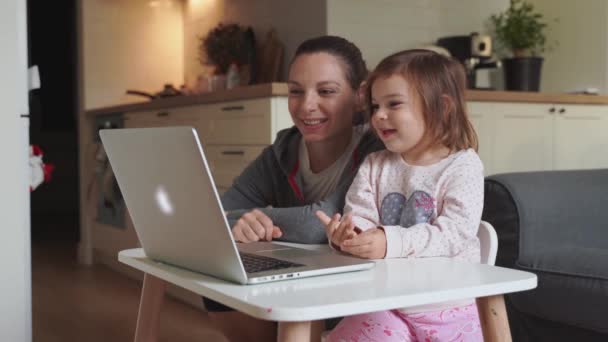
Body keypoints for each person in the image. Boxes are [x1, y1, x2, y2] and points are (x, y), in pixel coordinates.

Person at [203, 35, 384, 342]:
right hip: (297, 281)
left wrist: (256, 217)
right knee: (222, 283)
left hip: (360, 295)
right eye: (295, 92)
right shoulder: (283, 150)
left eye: (326, 91)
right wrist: (241, 224)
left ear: (359, 95)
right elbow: (218, 213)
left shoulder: (376, 150)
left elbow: (319, 224)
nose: (306, 106)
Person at [317, 49, 485, 341]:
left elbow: (455, 233)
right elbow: (361, 218)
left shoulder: (463, 165)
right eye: (375, 106)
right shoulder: (374, 164)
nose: (379, 116)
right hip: (383, 302)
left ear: (442, 108)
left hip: (446, 308)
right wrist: (349, 236)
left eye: (394, 104)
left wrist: (389, 241)